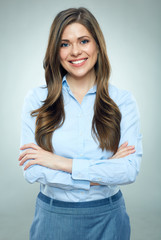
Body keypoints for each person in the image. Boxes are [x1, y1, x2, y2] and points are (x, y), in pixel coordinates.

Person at [19, 7, 143, 240]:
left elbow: (127, 170)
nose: (75, 51)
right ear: (55, 51)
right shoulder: (37, 100)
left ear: (97, 45)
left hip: (108, 219)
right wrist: (103, 171)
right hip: (53, 217)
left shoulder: (123, 101)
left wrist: (59, 162)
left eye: (83, 41)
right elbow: (33, 169)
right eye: (64, 44)